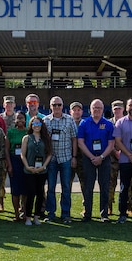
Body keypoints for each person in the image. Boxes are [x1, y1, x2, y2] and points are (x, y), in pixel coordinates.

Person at [77, 99, 115, 222]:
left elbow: (111, 144)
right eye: (94, 107)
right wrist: (91, 157)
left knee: (104, 186)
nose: (97, 110)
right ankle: (87, 213)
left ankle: (104, 214)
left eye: (99, 108)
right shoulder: (84, 123)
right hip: (89, 159)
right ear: (90, 109)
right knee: (88, 186)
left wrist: (101, 157)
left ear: (103, 109)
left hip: (104, 158)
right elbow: (80, 142)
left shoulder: (108, 124)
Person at [43, 95, 78, 224]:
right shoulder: (46, 121)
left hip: (66, 158)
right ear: (50, 106)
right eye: (54, 105)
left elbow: (74, 139)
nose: (56, 107)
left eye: (59, 105)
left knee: (66, 187)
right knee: (51, 187)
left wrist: (74, 157)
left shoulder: (69, 120)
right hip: (51, 159)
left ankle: (66, 214)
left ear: (62, 106)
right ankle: (51, 213)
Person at [21, 116, 52, 226]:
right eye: (34, 124)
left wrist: (43, 166)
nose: (36, 126)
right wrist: (28, 167)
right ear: (31, 125)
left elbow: (49, 154)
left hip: (42, 171)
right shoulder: (26, 138)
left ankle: (36, 217)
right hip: (29, 171)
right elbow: (22, 154)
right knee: (30, 194)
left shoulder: (46, 138)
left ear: (41, 125)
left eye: (38, 124)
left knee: (40, 194)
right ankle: (28, 217)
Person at [6, 111, 28, 221]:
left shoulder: (28, 131)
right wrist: (9, 165)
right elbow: (6, 150)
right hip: (14, 161)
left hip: (25, 162)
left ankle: (24, 212)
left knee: (25, 189)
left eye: (22, 118)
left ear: (25, 119)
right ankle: (16, 213)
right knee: (15, 189)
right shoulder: (10, 132)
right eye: (18, 118)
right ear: (14, 120)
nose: (20, 120)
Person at [69, 101, 86, 190]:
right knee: (67, 184)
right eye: (74, 110)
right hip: (69, 156)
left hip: (83, 158)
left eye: (78, 110)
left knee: (85, 184)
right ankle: (65, 204)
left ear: (82, 112)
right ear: (70, 112)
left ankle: (86, 203)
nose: (76, 112)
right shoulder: (67, 123)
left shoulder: (86, 124)